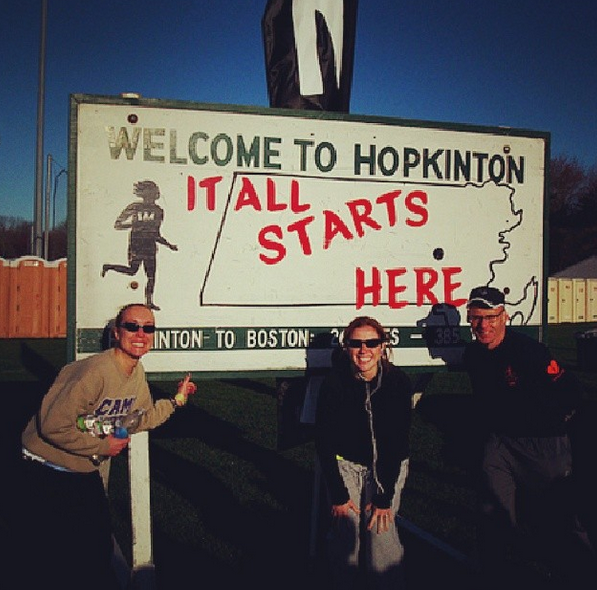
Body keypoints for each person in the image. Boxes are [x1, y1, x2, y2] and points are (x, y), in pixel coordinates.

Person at [16, 303, 196, 590]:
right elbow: (51, 425)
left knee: (94, 548)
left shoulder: (135, 373)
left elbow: (141, 418)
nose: (141, 334)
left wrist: (177, 400)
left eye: (148, 328)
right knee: (58, 557)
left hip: (80, 468)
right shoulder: (94, 372)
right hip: (46, 468)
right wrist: (101, 446)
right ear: (116, 332)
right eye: (132, 326)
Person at [462, 285, 596, 589]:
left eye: (490, 317)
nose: (482, 325)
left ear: (504, 317)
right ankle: (495, 570)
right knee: (492, 508)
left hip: (542, 442)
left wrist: (555, 421)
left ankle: (586, 571)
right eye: (475, 318)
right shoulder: (473, 354)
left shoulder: (528, 351)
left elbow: (571, 390)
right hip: (500, 443)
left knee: (561, 515)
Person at [315, 316, 413, 590]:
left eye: (371, 342)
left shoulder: (398, 382)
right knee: (345, 539)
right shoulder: (334, 383)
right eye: (356, 343)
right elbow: (323, 440)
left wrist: (384, 496)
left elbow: (396, 442)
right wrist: (338, 493)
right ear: (346, 347)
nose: (363, 350)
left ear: (383, 346)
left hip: (386, 468)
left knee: (381, 538)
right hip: (346, 466)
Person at [101, 180, 178, 311]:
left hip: (150, 246)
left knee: (151, 275)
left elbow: (156, 233)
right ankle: (109, 267)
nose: (154, 195)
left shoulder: (158, 211)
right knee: (132, 271)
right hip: (136, 244)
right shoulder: (135, 207)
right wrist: (134, 225)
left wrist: (169, 245)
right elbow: (118, 224)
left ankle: (149, 301)